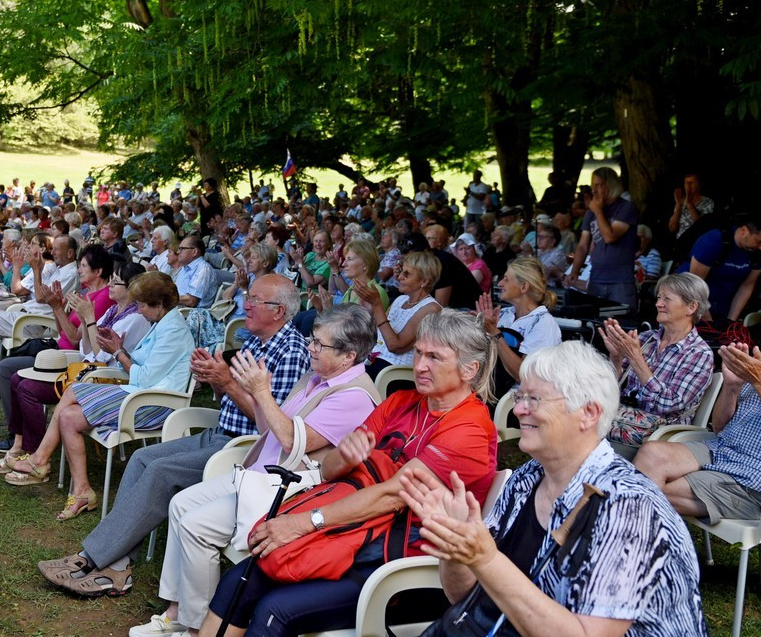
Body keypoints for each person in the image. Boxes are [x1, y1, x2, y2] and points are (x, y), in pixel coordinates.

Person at [198, 309, 498, 637]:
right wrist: (345, 455)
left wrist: (302, 522)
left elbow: (392, 495)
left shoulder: (469, 429)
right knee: (239, 581)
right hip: (351, 538)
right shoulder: (401, 401)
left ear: (470, 369)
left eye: (435, 357)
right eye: (418, 352)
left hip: (402, 567)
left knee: (275, 610)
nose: (420, 365)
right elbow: (329, 470)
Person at [401, 341, 708, 637]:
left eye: (534, 399)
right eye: (520, 397)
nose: (519, 409)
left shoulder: (627, 505)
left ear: (588, 413)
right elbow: (466, 598)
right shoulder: (529, 478)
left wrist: (485, 559)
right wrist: (456, 548)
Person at [35, 274, 311, 597]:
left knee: (160, 471)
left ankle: (92, 557)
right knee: (140, 459)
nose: (245, 305)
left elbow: (271, 425)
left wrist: (229, 382)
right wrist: (217, 382)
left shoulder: (291, 351)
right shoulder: (255, 341)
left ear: (278, 311)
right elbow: (231, 403)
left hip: (248, 448)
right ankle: (118, 566)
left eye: (254, 300)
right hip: (221, 431)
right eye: (247, 297)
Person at [134, 306, 381, 634]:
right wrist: (255, 392)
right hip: (258, 476)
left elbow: (294, 441)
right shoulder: (315, 376)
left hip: (290, 492)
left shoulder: (355, 396)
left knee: (196, 526)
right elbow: (269, 426)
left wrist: (262, 392)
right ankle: (178, 612)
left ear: (349, 356)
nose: (311, 347)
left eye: (321, 345)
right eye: (312, 340)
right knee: (180, 504)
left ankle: (196, 627)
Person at [3, 272, 194, 520]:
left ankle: (42, 462)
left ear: (159, 304)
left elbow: (146, 377)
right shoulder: (162, 323)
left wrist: (118, 353)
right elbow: (144, 367)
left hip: (155, 404)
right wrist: (120, 348)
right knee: (70, 416)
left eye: (143, 305)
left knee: (72, 396)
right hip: (140, 394)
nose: (140, 310)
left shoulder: (173, 329)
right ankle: (80, 490)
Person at [635, 288, 761, 526]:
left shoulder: (760, 371)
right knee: (652, 453)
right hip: (723, 451)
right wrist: (732, 387)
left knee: (647, 492)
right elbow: (720, 428)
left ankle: (632, 551)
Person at [0, 246, 119, 450]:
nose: (79, 270)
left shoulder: (102, 298)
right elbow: (63, 331)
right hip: (57, 350)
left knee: (7, 368)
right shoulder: (85, 294)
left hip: (70, 359)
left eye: (83, 266)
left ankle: (12, 433)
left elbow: (75, 340)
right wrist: (56, 306)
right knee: (6, 367)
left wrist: (56, 307)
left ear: (98, 271)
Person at [599, 273, 714, 452]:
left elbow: (668, 405)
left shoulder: (699, 353)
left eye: (667, 299)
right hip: (619, 420)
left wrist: (637, 360)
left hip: (658, 436)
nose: (658, 303)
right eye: (659, 297)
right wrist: (616, 357)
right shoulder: (646, 339)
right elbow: (611, 388)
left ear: (691, 307)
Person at [477, 257, 562, 398]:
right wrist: (480, 327)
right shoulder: (504, 314)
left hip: (519, 402)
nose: (500, 283)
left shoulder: (543, 323)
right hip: (489, 392)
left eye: (506, 279)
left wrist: (495, 334)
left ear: (524, 287)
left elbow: (523, 376)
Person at [680, 215, 761, 326]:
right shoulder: (712, 241)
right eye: (759, 241)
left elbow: (747, 285)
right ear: (744, 231)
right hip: (690, 299)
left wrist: (730, 322)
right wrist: (709, 323)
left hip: (724, 302)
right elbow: (694, 285)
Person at [566, 167, 639, 310]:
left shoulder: (625, 208)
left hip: (620, 281)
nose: (594, 190)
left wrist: (598, 211)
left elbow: (610, 237)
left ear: (611, 185)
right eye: (593, 185)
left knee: (622, 325)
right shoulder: (591, 212)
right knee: (595, 324)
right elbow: (582, 246)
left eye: (598, 185)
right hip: (596, 279)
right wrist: (574, 271)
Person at [357, 250, 442, 373]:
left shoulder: (431, 308)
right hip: (375, 361)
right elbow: (379, 335)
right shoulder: (400, 300)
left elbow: (394, 346)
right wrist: (369, 310)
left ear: (424, 281)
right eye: (401, 271)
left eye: (406, 274)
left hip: (395, 372)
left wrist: (377, 305)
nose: (399, 276)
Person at [0, 235, 80, 340]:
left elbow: (40, 298)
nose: (52, 253)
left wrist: (35, 269)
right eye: (53, 248)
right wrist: (37, 268)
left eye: (56, 249)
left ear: (70, 253)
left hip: (33, 322)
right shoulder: (60, 269)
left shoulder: (69, 273)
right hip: (26, 316)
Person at [173, 235, 217, 308]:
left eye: (181, 249)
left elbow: (191, 301)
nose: (178, 252)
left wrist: (167, 299)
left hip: (189, 313)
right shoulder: (185, 267)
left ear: (194, 251)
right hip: (177, 308)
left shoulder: (203, 269)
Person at [668, 172, 714, 240]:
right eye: (686, 183)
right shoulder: (681, 202)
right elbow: (672, 228)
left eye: (691, 182)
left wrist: (689, 205)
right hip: (682, 241)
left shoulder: (708, 202)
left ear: (699, 185)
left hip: (698, 240)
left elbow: (703, 227)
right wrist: (678, 205)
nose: (688, 186)